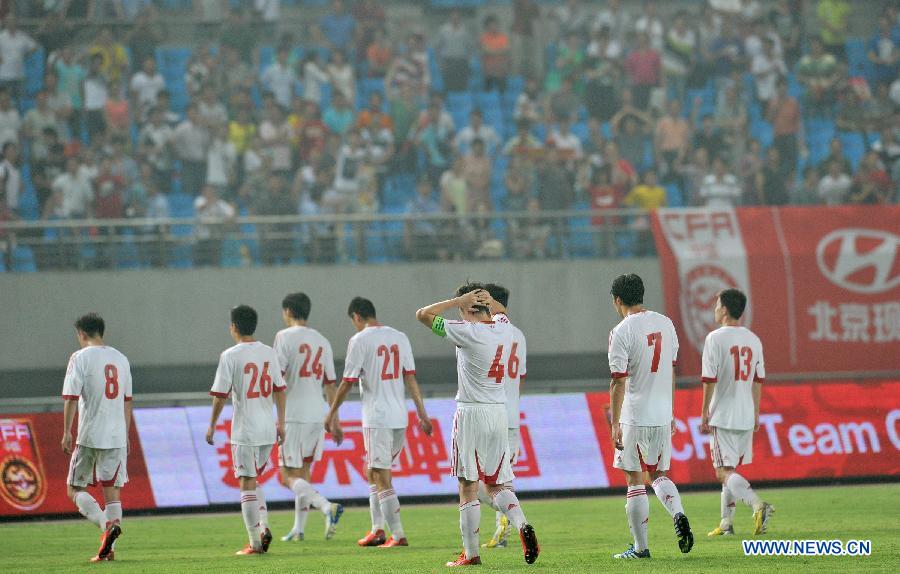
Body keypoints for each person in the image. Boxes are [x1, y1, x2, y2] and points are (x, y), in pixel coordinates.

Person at [415, 284, 539, 567]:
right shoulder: (506, 330)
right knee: (497, 484)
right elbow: (502, 312)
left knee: (468, 486)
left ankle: (470, 554)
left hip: (471, 413)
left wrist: (457, 300)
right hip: (499, 413)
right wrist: (488, 300)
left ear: (468, 308)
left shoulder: (466, 331)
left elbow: (422, 314)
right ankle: (522, 524)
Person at [326, 297, 432, 548]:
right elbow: (411, 379)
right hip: (399, 417)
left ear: (356, 317)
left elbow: (347, 382)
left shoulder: (359, 340)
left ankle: (397, 535)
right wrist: (422, 413)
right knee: (372, 470)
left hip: (377, 417)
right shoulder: (399, 337)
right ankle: (377, 530)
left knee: (380, 476)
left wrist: (331, 412)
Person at [608, 273, 693, 560]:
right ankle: (678, 513)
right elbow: (670, 370)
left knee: (634, 478)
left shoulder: (621, 331)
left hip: (634, 413)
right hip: (661, 412)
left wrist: (615, 422)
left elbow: (618, 380)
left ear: (618, 300)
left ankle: (641, 548)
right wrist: (669, 413)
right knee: (658, 474)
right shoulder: (666, 323)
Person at [206, 305, 287, 555]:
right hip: (267, 429)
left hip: (245, 429)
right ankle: (263, 527)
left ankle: (254, 543)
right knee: (254, 480)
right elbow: (279, 389)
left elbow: (220, 395)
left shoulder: (230, 355)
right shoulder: (268, 353)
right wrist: (281, 422)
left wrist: (211, 425)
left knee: (246, 483)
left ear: (233, 327)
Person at [700, 289, 774, 538]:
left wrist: (704, 414)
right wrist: (756, 414)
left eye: (717, 304)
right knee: (728, 469)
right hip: (745, 414)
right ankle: (726, 524)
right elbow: (758, 380)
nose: (714, 309)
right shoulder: (753, 339)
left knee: (722, 471)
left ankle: (757, 504)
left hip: (723, 414)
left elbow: (709, 380)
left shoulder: (714, 339)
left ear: (724, 310)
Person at [61, 313, 133, 562]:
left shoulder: (79, 357)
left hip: (90, 434)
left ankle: (106, 528)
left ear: (81, 333)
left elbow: (70, 397)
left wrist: (66, 431)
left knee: (74, 488)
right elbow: (127, 401)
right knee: (112, 491)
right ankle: (109, 550)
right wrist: (126, 433)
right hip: (116, 436)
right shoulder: (121, 359)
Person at [274, 292, 344, 542]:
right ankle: (299, 529)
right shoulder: (322, 341)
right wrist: (334, 419)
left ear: (289, 311)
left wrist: (278, 419)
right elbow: (330, 385)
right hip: (318, 413)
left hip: (293, 414)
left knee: (286, 475)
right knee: (303, 474)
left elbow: (277, 381)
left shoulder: (283, 338)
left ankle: (326, 506)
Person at [478, 283, 528, 551]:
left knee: (477, 485)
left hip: (489, 412)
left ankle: (509, 523)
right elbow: (519, 379)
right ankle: (507, 528)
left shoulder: (488, 331)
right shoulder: (518, 335)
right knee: (503, 480)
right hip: (511, 415)